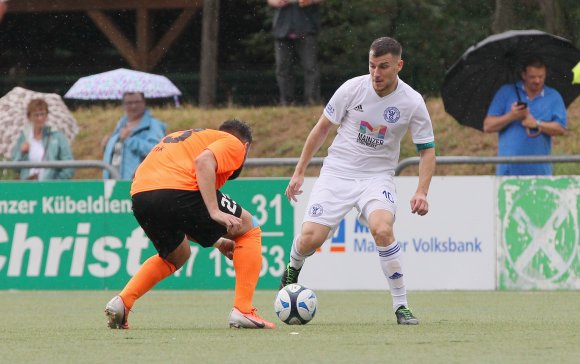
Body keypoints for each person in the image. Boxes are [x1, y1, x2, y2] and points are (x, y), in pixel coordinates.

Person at [280, 37, 436, 325]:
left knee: (382, 230)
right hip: (337, 172)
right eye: (372, 65)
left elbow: (427, 150)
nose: (376, 73)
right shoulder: (352, 88)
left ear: (399, 65)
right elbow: (321, 129)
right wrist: (300, 171)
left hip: (377, 178)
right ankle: (293, 267)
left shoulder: (412, 102)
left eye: (384, 67)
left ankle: (401, 306)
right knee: (309, 239)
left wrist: (422, 191)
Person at [105, 119, 276, 330]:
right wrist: (214, 211)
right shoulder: (234, 144)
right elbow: (204, 162)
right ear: (246, 146)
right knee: (248, 227)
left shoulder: (192, 138)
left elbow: (182, 214)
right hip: (176, 189)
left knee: (177, 254)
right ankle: (244, 310)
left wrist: (217, 242)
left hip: (140, 195)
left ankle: (123, 302)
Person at [483, 56, 567, 176]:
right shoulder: (506, 92)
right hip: (507, 172)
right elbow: (487, 126)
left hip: (540, 173)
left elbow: (561, 129)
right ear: (523, 75)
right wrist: (511, 116)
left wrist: (537, 124)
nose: (537, 81)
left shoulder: (554, 96)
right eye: (532, 77)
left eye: (541, 76)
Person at [268, 0, 322, 106]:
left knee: (310, 67)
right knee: (283, 68)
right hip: (282, 28)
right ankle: (286, 102)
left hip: (306, 28)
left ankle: (312, 102)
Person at [102, 92, 166, 180]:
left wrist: (129, 140)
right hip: (114, 184)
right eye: (129, 103)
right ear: (123, 105)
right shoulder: (120, 124)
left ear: (144, 103)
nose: (133, 106)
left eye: (137, 102)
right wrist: (108, 145)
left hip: (139, 183)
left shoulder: (153, 125)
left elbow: (158, 151)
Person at [11, 98, 74, 180]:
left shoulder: (57, 136)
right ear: (29, 117)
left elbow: (69, 166)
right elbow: (15, 168)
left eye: (42, 114)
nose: (40, 118)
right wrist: (22, 153)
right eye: (36, 115)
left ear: (47, 115)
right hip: (28, 187)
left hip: (49, 189)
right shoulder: (23, 137)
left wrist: (55, 182)